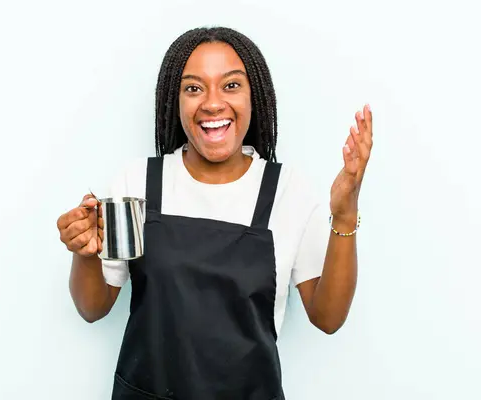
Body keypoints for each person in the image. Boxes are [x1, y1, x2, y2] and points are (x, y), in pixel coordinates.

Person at [57, 26, 373, 400]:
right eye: (193, 88)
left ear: (254, 96)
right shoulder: (138, 182)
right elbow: (93, 307)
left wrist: (345, 214)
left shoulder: (287, 191)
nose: (212, 103)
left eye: (231, 85)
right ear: (174, 101)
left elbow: (328, 318)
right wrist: (85, 253)